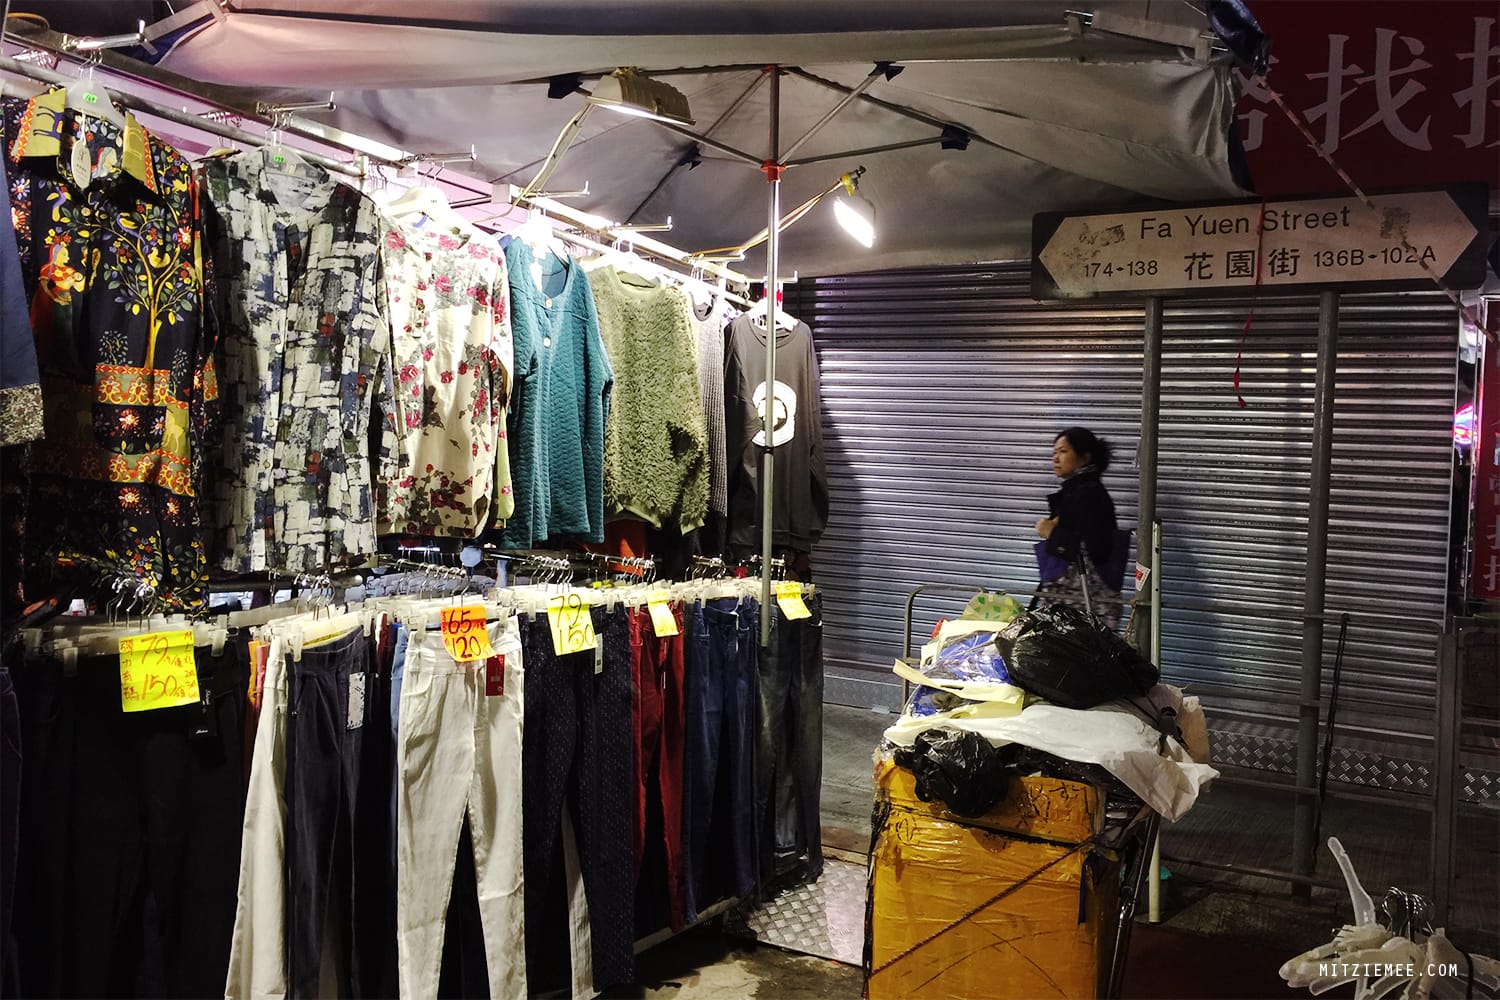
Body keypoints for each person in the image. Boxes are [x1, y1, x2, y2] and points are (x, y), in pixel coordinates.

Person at [1033, 427, 1125, 624]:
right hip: (1075, 607)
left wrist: (1052, 532)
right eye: (1054, 452)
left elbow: (1097, 550)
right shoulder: (1076, 492)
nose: (1055, 458)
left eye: (1063, 451)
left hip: (1083, 608)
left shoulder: (1088, 494)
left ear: (1084, 458)